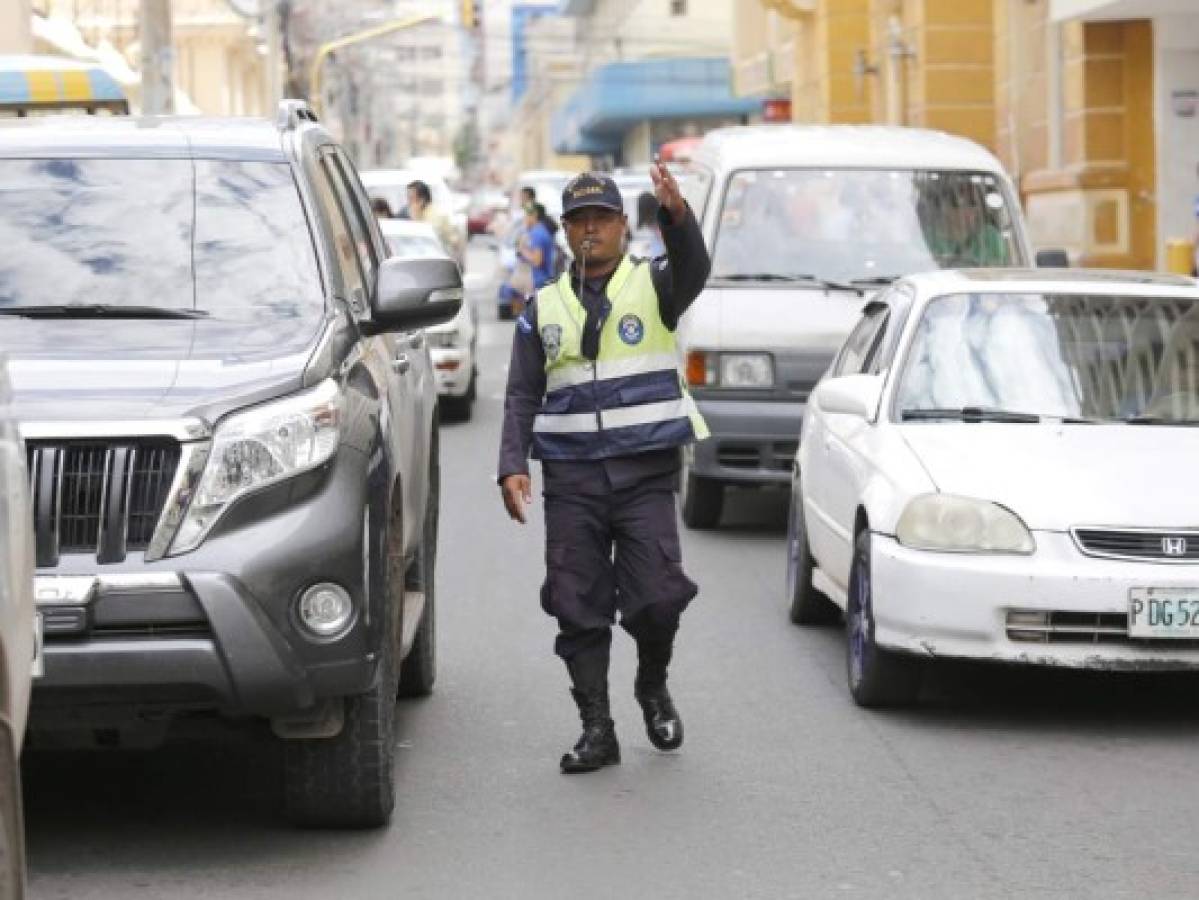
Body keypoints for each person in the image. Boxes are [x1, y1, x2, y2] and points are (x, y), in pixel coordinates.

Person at [497, 164, 711, 774]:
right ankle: (598, 728)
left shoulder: (657, 284)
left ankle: (652, 684)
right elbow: (520, 394)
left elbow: (695, 267)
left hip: (644, 474)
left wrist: (677, 217)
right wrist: (513, 463)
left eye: (602, 219)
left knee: (657, 600)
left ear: (622, 226)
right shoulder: (542, 307)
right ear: (565, 231)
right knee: (577, 604)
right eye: (579, 220)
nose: (591, 230)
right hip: (572, 481)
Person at [407, 179, 464, 265]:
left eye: (411, 198)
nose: (409, 202)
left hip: (437, 261)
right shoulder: (410, 214)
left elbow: (454, 242)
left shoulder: (437, 215)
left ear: (422, 199)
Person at [518, 202, 556, 291]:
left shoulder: (537, 233)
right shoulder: (540, 230)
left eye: (526, 215)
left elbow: (537, 261)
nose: (524, 218)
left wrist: (522, 250)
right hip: (542, 281)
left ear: (534, 215)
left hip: (539, 282)